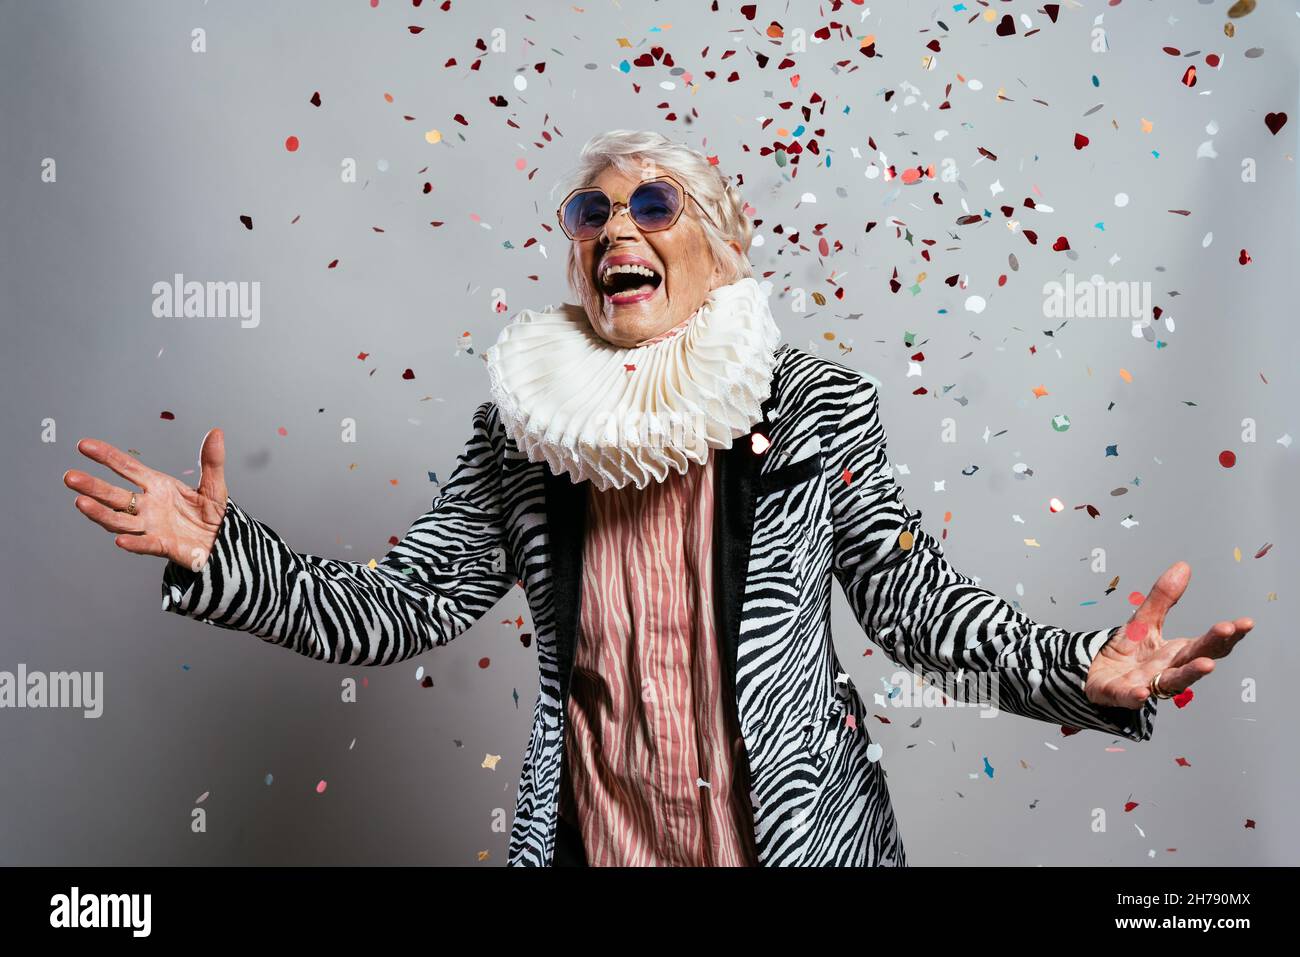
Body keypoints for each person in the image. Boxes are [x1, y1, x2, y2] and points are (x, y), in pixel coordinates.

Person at [62, 130, 1254, 867]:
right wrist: (224, 554)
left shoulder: (816, 407)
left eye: (652, 206)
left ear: (720, 253)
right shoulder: (519, 438)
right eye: (591, 213)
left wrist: (1077, 672)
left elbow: (914, 609)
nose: (615, 228)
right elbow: (401, 608)